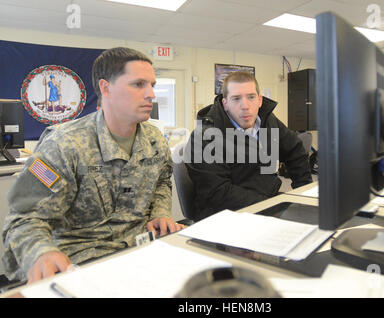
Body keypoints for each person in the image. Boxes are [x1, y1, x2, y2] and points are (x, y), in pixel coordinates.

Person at [2, 47, 184, 284]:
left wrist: (160, 213)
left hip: (139, 252)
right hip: (78, 261)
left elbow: (162, 181)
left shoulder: (154, 140)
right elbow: (24, 219)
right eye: (138, 84)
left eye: (152, 84)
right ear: (106, 88)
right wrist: (41, 253)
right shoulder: (64, 144)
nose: (151, 94)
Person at [185, 71, 312, 221]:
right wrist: (272, 207)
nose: (245, 106)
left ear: (259, 100)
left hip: (266, 204)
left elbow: (294, 150)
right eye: (236, 99)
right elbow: (218, 192)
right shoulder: (205, 136)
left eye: (251, 97)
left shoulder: (267, 121)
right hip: (224, 217)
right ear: (225, 104)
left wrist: (304, 193)